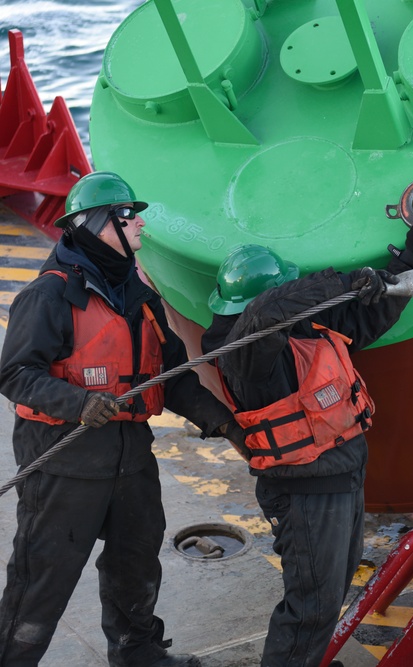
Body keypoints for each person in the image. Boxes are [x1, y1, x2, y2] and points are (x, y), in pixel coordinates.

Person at [0, 171, 245, 667]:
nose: (140, 227)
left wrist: (221, 421)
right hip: (63, 468)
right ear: (97, 224)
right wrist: (79, 403)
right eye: (129, 216)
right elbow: (14, 374)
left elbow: (170, 374)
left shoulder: (138, 293)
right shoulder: (49, 296)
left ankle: (139, 655)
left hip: (131, 461)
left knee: (135, 565)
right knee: (41, 582)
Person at [200, 218, 413, 667]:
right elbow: (266, 312)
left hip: (341, 479)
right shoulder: (247, 354)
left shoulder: (303, 331)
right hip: (306, 493)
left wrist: (410, 262)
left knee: (329, 591)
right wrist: (345, 281)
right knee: (311, 607)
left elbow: (363, 320)